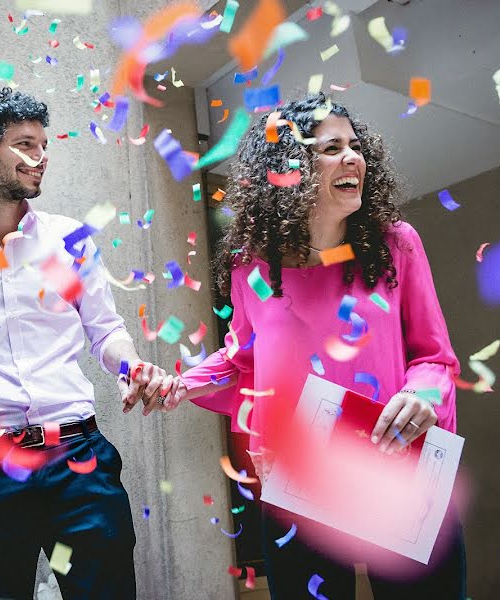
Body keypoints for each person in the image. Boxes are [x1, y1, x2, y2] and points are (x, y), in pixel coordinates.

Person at [163, 94, 466, 598]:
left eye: (355, 146)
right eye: (331, 148)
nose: (353, 157)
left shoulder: (398, 243)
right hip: (301, 484)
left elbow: (435, 358)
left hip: (399, 473)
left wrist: (423, 398)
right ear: (291, 170)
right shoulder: (248, 267)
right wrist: (179, 384)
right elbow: (242, 361)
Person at [0, 88, 172, 600]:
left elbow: (105, 331)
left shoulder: (72, 241)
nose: (40, 157)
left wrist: (132, 367)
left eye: (44, 146)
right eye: (25, 144)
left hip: (79, 461)